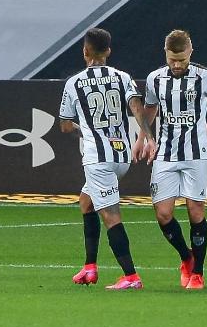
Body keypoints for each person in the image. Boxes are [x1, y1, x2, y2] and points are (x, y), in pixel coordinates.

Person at [135, 29, 207, 290]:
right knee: (163, 214)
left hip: (196, 154)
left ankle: (198, 272)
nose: (177, 65)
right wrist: (144, 137)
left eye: (182, 60)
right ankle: (186, 257)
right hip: (165, 153)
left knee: (195, 210)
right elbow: (150, 108)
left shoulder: (206, 78)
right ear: (166, 53)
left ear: (190, 53)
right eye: (172, 60)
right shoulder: (155, 79)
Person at [59, 28, 156, 290]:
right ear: (109, 52)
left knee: (111, 216)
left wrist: (82, 128)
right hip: (121, 156)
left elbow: (65, 125)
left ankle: (131, 276)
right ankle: (90, 267)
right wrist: (148, 137)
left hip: (97, 159)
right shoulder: (123, 77)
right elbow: (136, 107)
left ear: (85, 51)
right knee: (86, 202)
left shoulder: (74, 83)